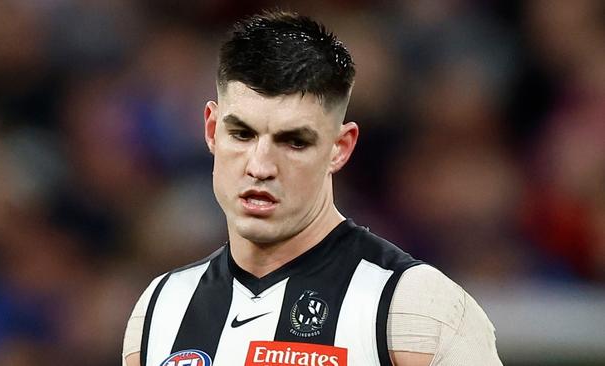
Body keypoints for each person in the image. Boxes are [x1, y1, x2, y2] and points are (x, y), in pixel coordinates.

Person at [123, 10, 502, 366]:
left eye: (294, 141)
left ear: (340, 148)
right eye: (241, 134)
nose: (259, 167)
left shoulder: (416, 306)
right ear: (211, 130)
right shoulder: (161, 308)